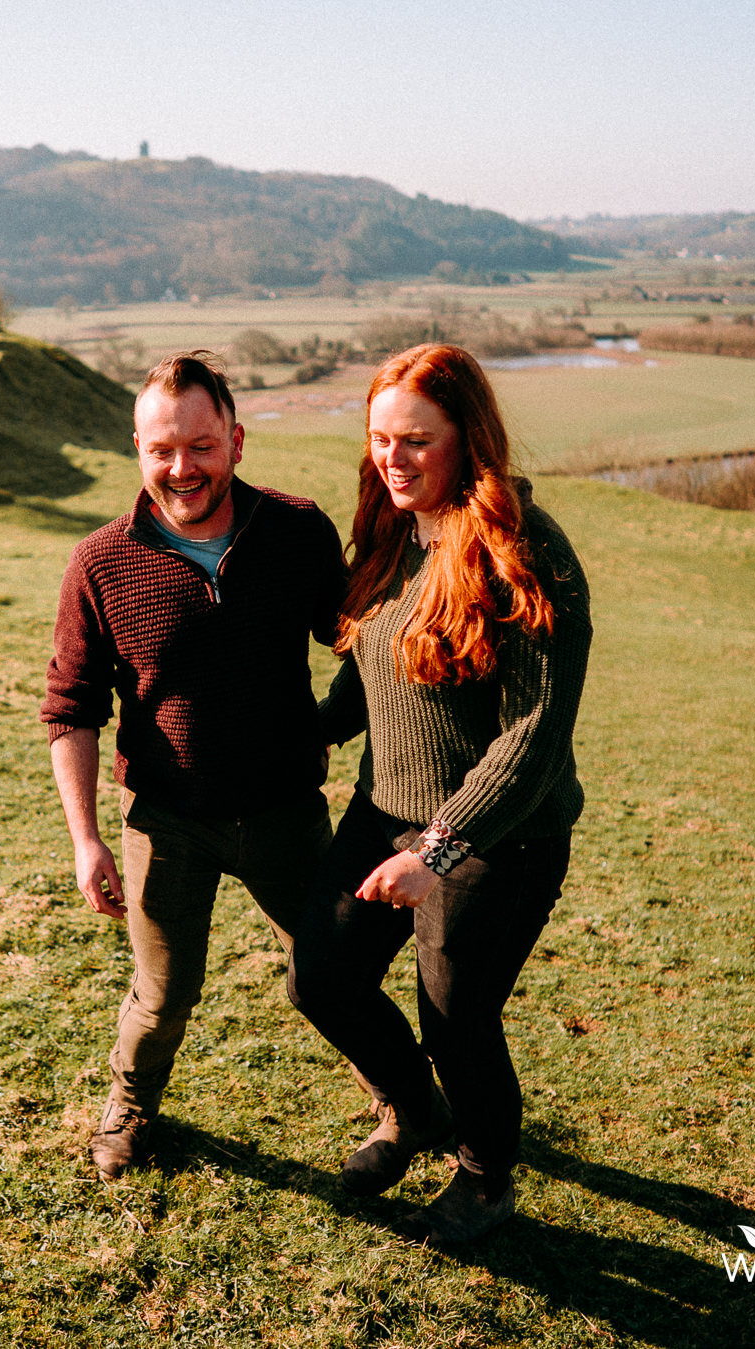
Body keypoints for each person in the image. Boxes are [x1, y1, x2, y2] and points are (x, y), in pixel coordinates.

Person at [287, 342, 591, 1244]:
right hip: (384, 811)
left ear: (469, 438)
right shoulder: (390, 531)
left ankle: (487, 1178)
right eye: (381, 438)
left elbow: (532, 739)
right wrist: (303, 735)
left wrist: (437, 848)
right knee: (321, 977)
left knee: (456, 1015)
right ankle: (417, 1113)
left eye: (416, 440)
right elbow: (372, 666)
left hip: (500, 835)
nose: (393, 459)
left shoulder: (523, 552)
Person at [42, 349, 346, 1180]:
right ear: (138, 449)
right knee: (161, 994)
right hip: (167, 821)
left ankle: (399, 1099)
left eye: (201, 446)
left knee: (333, 970)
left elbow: (366, 642)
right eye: (162, 449)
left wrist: (330, 725)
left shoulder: (298, 532)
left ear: (237, 441)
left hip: (285, 810)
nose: (182, 468)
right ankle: (130, 1114)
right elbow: (71, 709)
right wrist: (86, 840)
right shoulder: (99, 563)